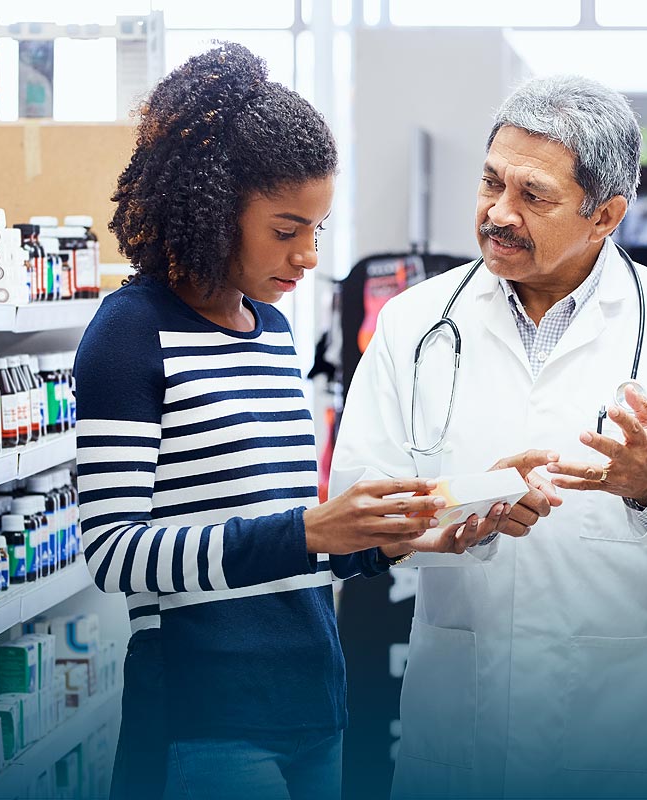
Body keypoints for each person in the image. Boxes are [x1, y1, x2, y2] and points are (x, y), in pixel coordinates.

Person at [330, 75, 647, 799]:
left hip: (623, 733)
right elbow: (351, 513)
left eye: (532, 196)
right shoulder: (414, 325)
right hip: (461, 723)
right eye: (490, 182)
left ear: (604, 215)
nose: (498, 213)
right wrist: (468, 508)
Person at [76, 43, 501, 800]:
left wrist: (392, 540)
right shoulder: (130, 332)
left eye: (318, 229)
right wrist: (310, 529)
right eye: (285, 229)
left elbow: (280, 541)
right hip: (205, 715)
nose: (307, 255)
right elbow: (114, 554)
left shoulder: (272, 331)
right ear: (212, 208)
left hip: (313, 698)